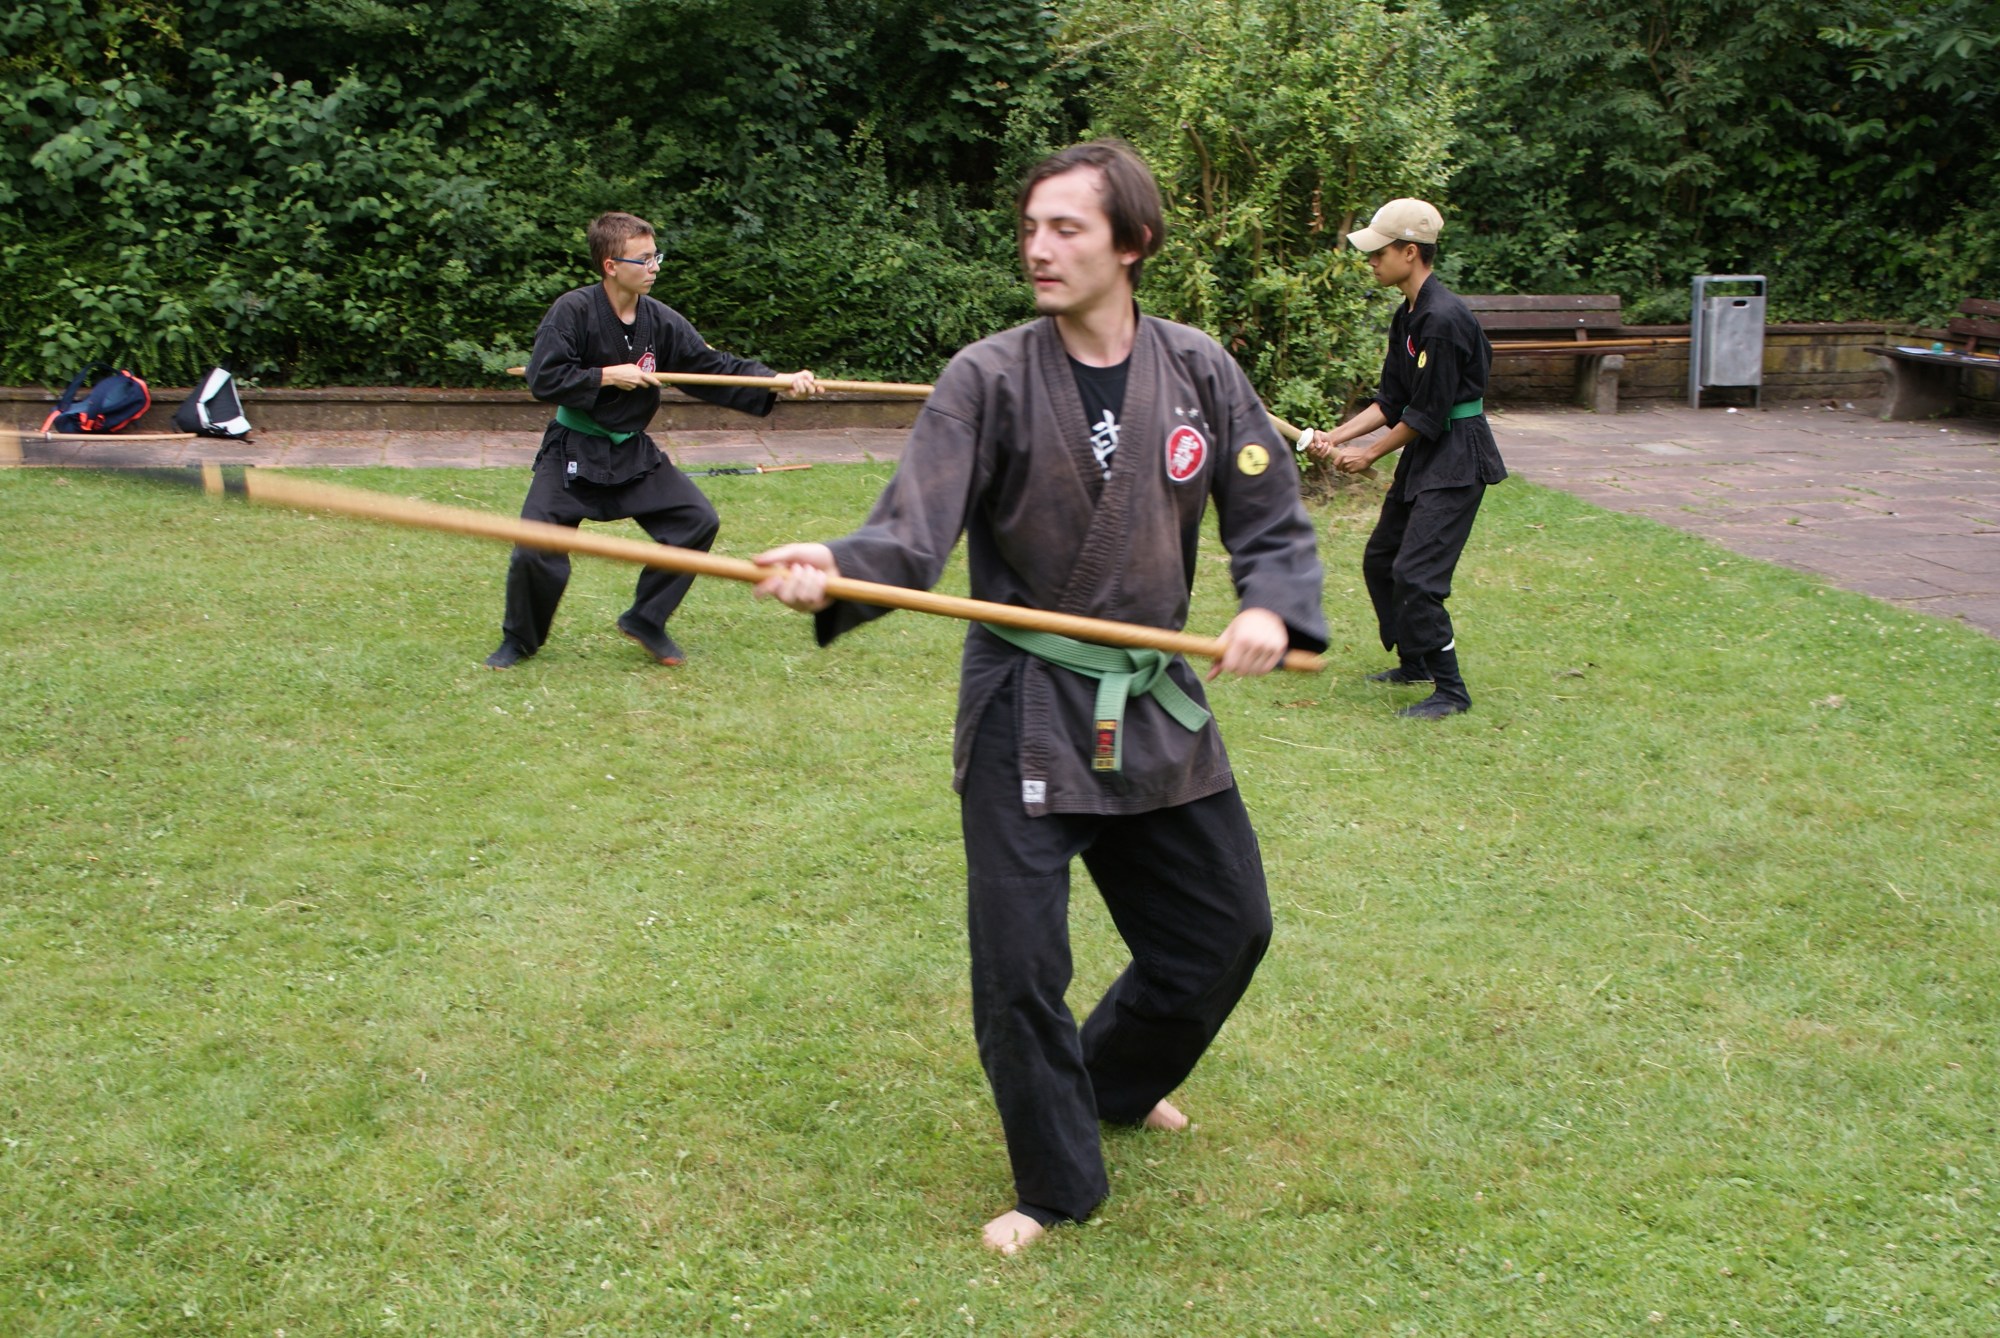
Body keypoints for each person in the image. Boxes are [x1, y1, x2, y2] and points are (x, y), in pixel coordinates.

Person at [754, 141, 1326, 1255]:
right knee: (1021, 969)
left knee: (1224, 929)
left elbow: (1267, 506)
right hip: (1025, 706)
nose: (1038, 248)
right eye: (1030, 227)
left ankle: (1115, 1082)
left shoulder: (1198, 369)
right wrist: (835, 565)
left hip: (1151, 701)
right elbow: (910, 531)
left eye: (1066, 228)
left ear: (1133, 243)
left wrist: (1270, 604)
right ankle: (1056, 1185)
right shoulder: (988, 378)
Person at [485, 211, 818, 669]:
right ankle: (519, 641)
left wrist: (776, 382)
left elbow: (712, 367)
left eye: (655, 256)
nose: (654, 266)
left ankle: (646, 619)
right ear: (610, 265)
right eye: (643, 259)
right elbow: (544, 377)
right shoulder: (572, 311)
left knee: (695, 521)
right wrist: (605, 376)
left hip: (631, 451)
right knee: (534, 549)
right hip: (573, 448)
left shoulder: (659, 320)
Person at [1307, 198, 1505, 718]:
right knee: (1382, 559)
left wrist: (1370, 453)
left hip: (1457, 456)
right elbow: (1392, 401)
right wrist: (1334, 436)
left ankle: (1451, 691)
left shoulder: (1442, 319)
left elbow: (1429, 413)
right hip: (1426, 452)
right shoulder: (1408, 315)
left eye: (1380, 252)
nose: (1371, 261)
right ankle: (1415, 662)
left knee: (1417, 575)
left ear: (1410, 252)